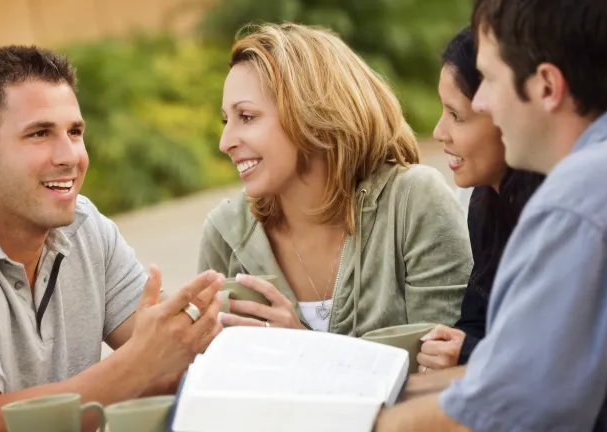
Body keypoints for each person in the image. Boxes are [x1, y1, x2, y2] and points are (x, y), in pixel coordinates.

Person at [0, 45, 226, 432]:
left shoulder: (85, 226)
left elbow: (166, 370)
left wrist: (199, 337)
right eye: (39, 133)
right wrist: (140, 362)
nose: (70, 156)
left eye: (75, 132)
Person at [374, 0, 607, 430]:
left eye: (488, 78)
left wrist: (359, 420)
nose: (483, 101)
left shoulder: (582, 202)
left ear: (546, 86)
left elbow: (507, 412)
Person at [197, 22, 473, 337]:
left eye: (246, 117)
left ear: (312, 113)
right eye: (225, 120)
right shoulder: (225, 234)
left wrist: (303, 345)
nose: (225, 141)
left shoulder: (414, 202)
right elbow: (215, 375)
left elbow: (448, 369)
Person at [418, 27, 545, 372]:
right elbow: (476, 320)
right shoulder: (486, 201)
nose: (438, 132)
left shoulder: (556, 216)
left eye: (456, 115)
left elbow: (550, 364)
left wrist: (469, 353)